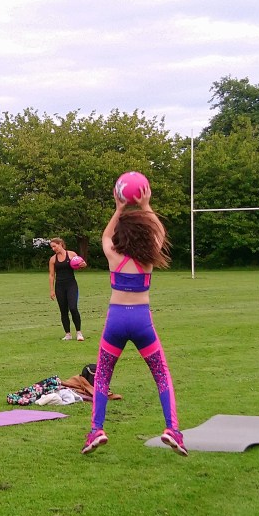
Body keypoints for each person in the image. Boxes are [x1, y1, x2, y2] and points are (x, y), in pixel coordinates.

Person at [81, 181, 187, 456]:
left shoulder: (112, 255)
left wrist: (119, 209)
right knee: (161, 375)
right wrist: (145, 205)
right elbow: (159, 232)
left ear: (120, 235)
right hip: (142, 321)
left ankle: (96, 430)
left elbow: (105, 236)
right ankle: (172, 429)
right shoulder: (149, 257)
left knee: (102, 377)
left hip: (115, 320)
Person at [48, 238, 86, 341]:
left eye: (54, 246)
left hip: (71, 285)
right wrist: (51, 290)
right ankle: (68, 334)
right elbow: (51, 275)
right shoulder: (53, 259)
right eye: (52, 247)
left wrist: (83, 265)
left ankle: (79, 333)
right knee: (63, 310)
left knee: (73, 308)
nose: (53, 249)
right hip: (59, 286)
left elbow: (81, 264)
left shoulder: (72, 254)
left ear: (60, 244)